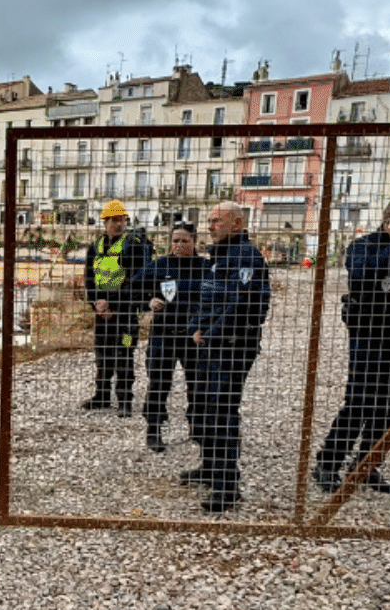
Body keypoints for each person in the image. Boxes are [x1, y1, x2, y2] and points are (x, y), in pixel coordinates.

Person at [313, 196, 390, 496]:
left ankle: (366, 465)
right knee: (360, 403)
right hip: (370, 337)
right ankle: (327, 463)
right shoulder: (363, 247)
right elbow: (363, 280)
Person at [181, 202, 270, 514]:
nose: (210, 226)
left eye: (217, 221)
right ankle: (210, 467)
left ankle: (226, 485)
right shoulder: (219, 256)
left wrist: (210, 333)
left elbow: (240, 306)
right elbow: (206, 300)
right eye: (209, 220)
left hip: (232, 347)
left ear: (236, 224)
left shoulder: (245, 256)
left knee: (221, 413)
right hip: (210, 346)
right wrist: (195, 329)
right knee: (203, 407)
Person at [133, 222, 210, 454]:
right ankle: (154, 429)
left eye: (184, 241)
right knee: (158, 384)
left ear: (194, 242)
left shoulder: (206, 268)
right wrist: (147, 302)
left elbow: (218, 297)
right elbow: (134, 289)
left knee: (198, 385)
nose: (179, 245)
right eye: (175, 240)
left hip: (193, 337)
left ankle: (197, 428)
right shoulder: (159, 265)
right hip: (163, 336)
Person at [82, 199, 153, 415]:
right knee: (102, 354)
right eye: (112, 220)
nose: (117, 224)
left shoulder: (133, 246)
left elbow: (135, 281)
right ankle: (102, 395)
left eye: (120, 220)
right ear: (104, 223)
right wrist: (97, 305)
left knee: (124, 354)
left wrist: (111, 304)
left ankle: (124, 400)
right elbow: (89, 279)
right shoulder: (96, 247)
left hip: (125, 314)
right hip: (102, 314)